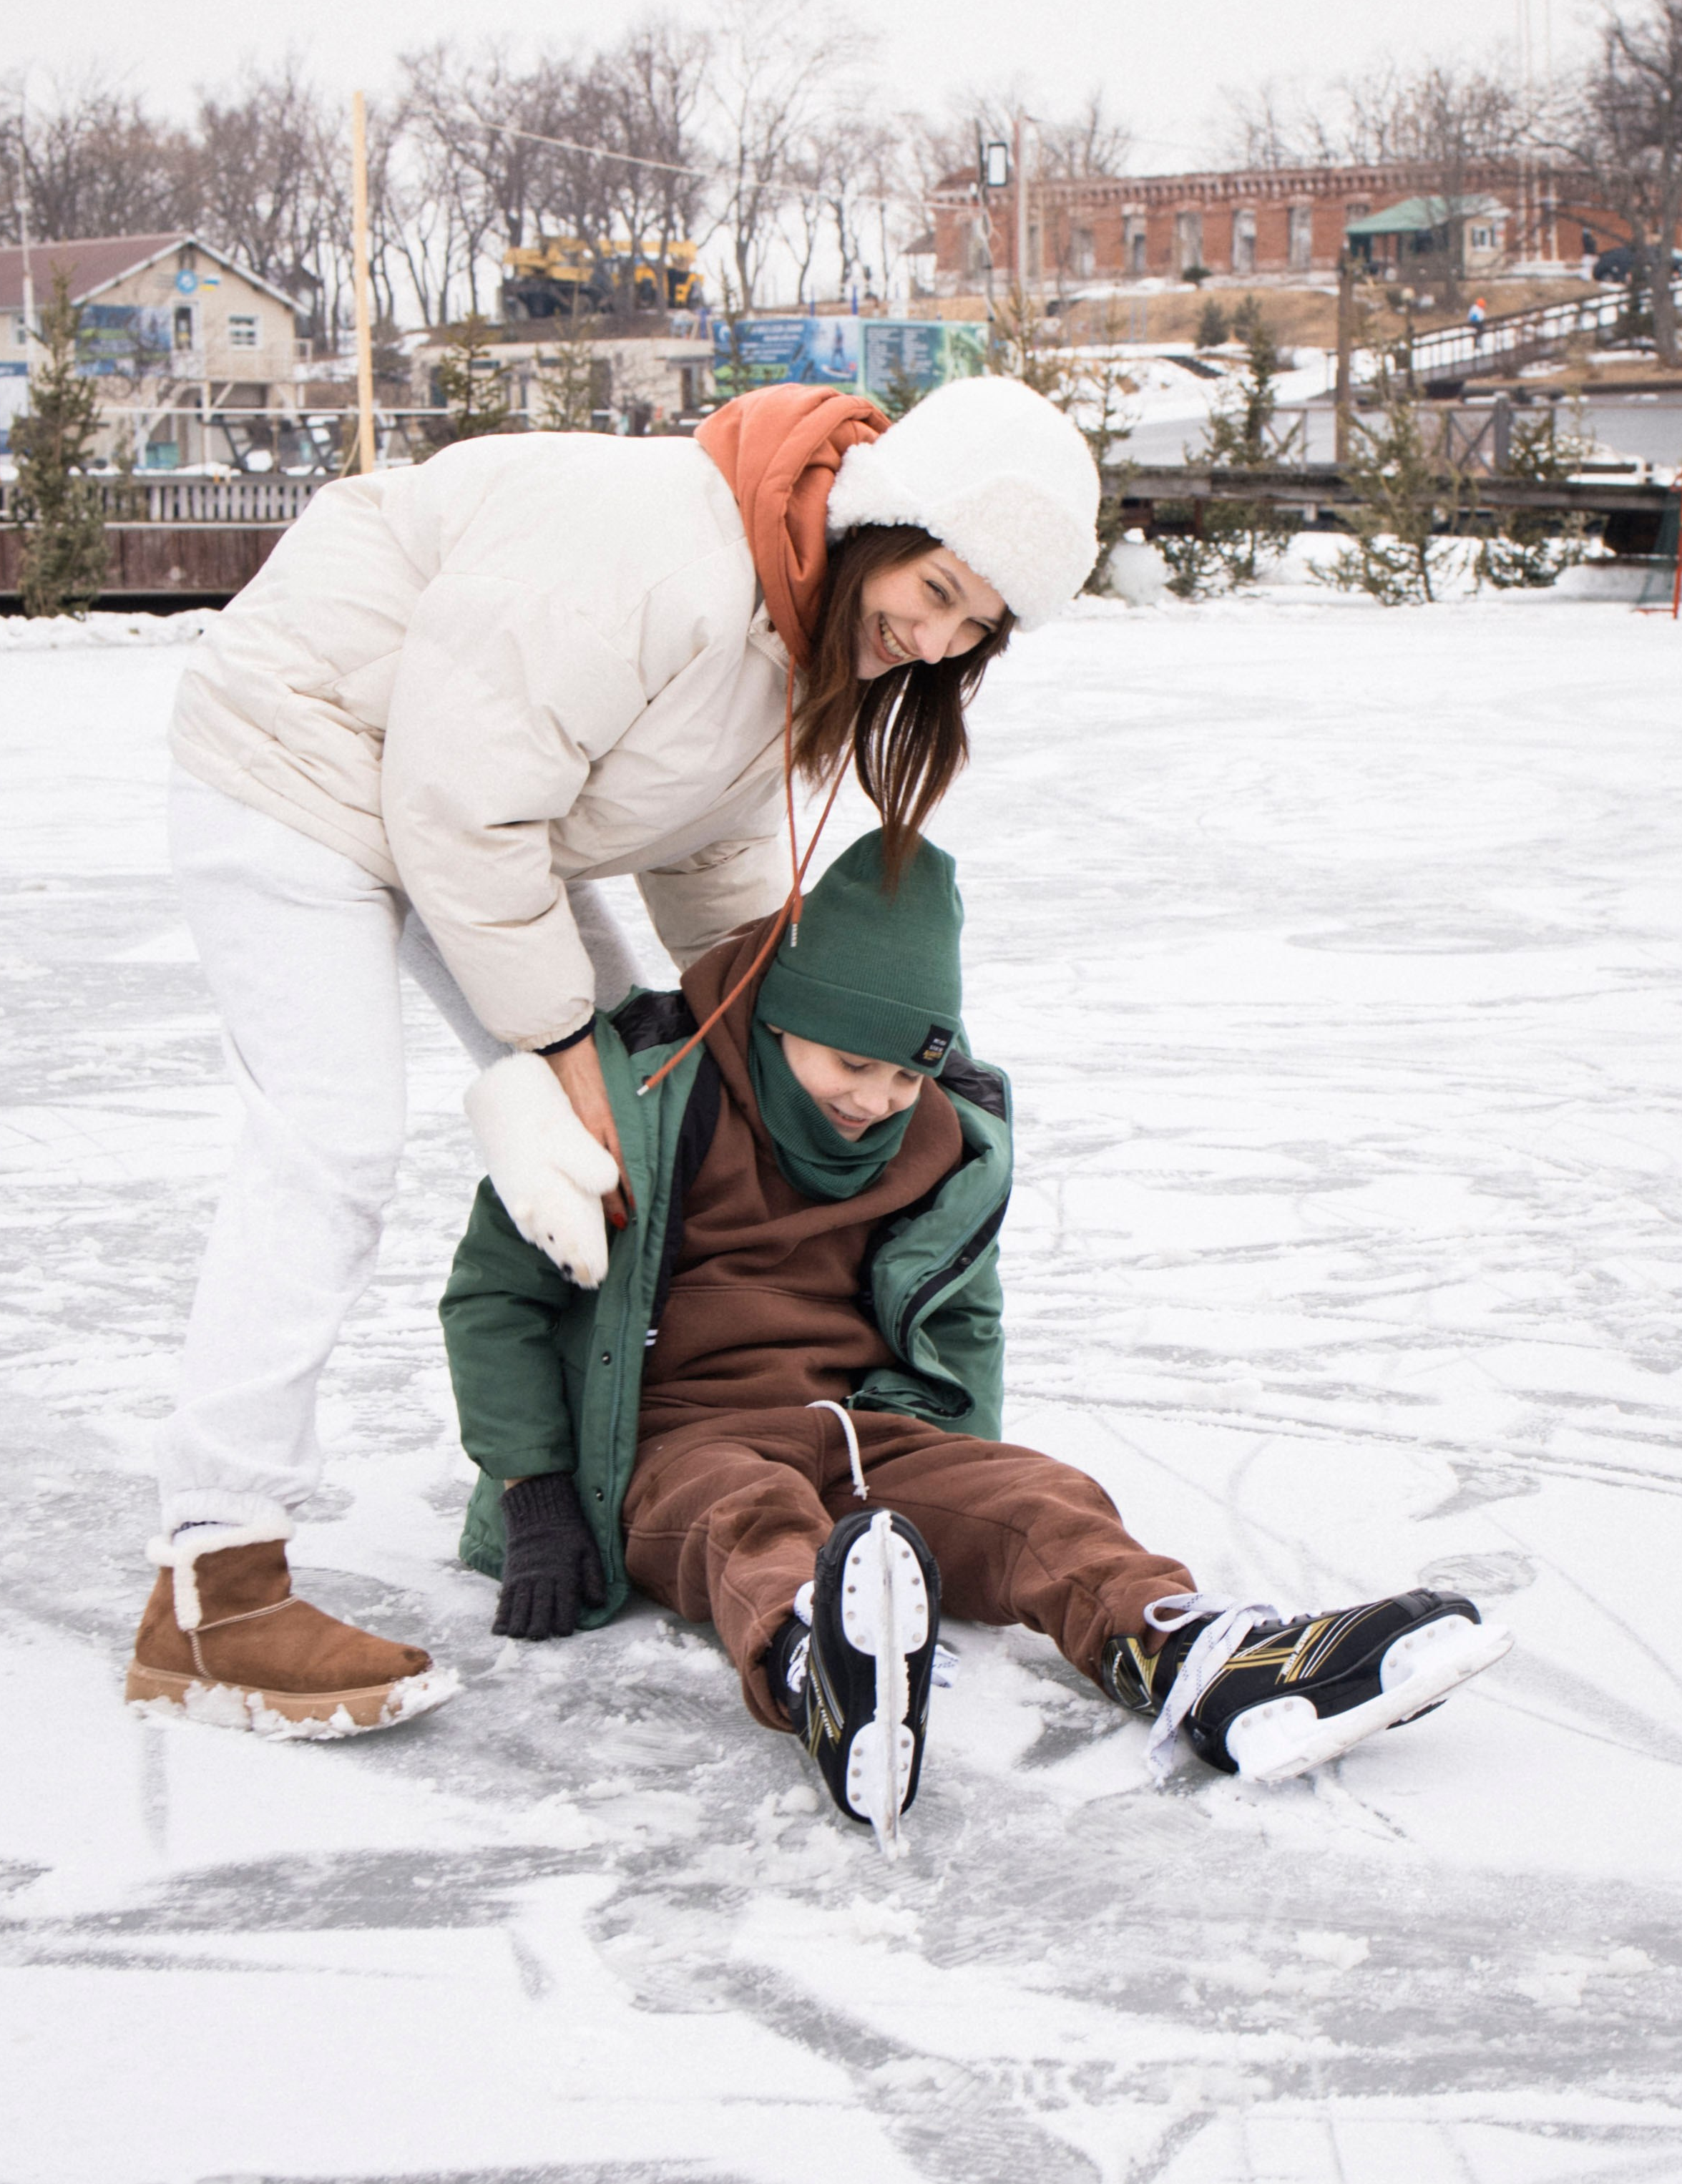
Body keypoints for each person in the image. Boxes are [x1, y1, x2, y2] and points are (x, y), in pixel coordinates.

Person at [125, 376, 1100, 1735]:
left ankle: (647, 1438)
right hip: (302, 764)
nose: (931, 642)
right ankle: (215, 1588)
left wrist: (846, 1027)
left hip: (467, 814)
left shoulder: (793, 614)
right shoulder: (657, 554)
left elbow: (711, 851)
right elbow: (458, 803)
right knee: (334, 1139)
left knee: (647, 1109)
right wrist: (560, 1041)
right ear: (881, 520)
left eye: (973, 629)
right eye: (933, 589)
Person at [439, 833, 1512, 1848]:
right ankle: (820, 1661)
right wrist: (536, 1491)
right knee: (742, 1512)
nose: (875, 1099)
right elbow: (494, 1298)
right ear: (773, 1020)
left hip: (858, 1428)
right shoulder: (632, 1094)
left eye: (905, 1075)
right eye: (847, 1062)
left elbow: (960, 1316)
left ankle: (1195, 1656)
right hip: (662, 1436)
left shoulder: (945, 1140)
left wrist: (951, 1472)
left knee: (1041, 1497)